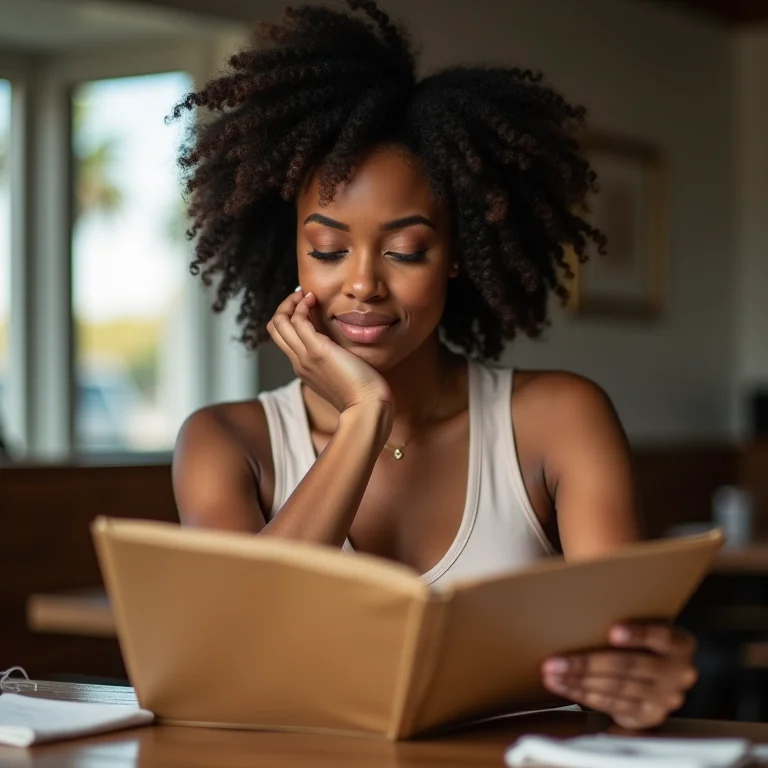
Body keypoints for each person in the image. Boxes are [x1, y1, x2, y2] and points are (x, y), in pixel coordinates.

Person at [169, 0, 697, 730]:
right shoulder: (224, 443)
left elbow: (622, 658)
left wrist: (644, 682)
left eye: (406, 249)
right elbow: (233, 652)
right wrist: (363, 419)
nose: (361, 283)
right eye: (327, 250)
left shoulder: (559, 420)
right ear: (287, 249)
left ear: (456, 256)